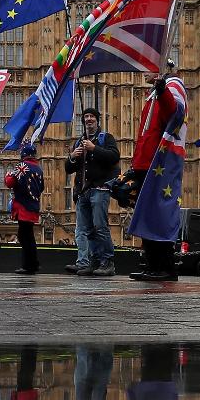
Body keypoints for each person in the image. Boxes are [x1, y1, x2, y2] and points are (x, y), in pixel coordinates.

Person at [125, 62, 188, 281]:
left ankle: (166, 268)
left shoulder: (172, 87)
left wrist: (161, 88)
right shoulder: (152, 96)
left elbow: (175, 111)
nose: (144, 72)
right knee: (148, 216)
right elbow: (146, 135)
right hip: (146, 162)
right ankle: (152, 265)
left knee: (158, 215)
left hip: (158, 162)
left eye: (149, 68)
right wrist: (135, 166)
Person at [64, 107, 119, 277]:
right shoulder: (79, 142)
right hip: (83, 191)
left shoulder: (105, 138)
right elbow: (68, 169)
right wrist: (73, 156)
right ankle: (91, 263)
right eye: (86, 117)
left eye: (92, 117)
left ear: (97, 120)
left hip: (100, 189)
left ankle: (107, 262)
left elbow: (114, 157)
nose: (88, 119)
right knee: (86, 229)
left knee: (100, 227)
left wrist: (94, 148)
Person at [6, 142, 45, 275]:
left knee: (25, 236)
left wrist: (8, 175)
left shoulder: (22, 166)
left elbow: (10, 182)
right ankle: (33, 264)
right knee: (28, 235)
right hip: (34, 206)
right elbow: (42, 188)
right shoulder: (39, 169)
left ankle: (29, 266)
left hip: (23, 206)